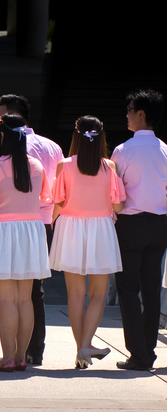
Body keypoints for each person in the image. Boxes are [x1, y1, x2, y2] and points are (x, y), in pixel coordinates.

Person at [0, 114, 51, 372]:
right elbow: (45, 198)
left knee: (6, 301)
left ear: (1, 136)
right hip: (31, 231)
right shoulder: (36, 165)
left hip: (1, 231)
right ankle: (21, 356)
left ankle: (7, 358)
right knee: (25, 299)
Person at [49, 116, 125, 369]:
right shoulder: (109, 166)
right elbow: (119, 205)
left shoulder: (64, 165)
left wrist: (51, 224)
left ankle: (82, 348)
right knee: (98, 293)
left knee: (75, 293)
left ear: (76, 136)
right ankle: (86, 344)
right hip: (101, 228)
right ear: (101, 136)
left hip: (70, 227)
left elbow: (57, 202)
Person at [0, 94, 63, 365]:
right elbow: (57, 190)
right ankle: (33, 351)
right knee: (35, 290)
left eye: (0, 117)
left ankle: (11, 354)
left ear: (13, 117)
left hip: (9, 223)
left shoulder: (8, 148)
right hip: (41, 223)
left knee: (10, 295)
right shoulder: (52, 147)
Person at [111, 89, 167, 371]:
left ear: (141, 113)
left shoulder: (123, 150)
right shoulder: (166, 150)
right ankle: (148, 351)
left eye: (130, 109)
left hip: (130, 224)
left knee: (128, 289)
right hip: (160, 224)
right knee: (152, 290)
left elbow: (115, 193)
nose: (127, 114)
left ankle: (138, 354)